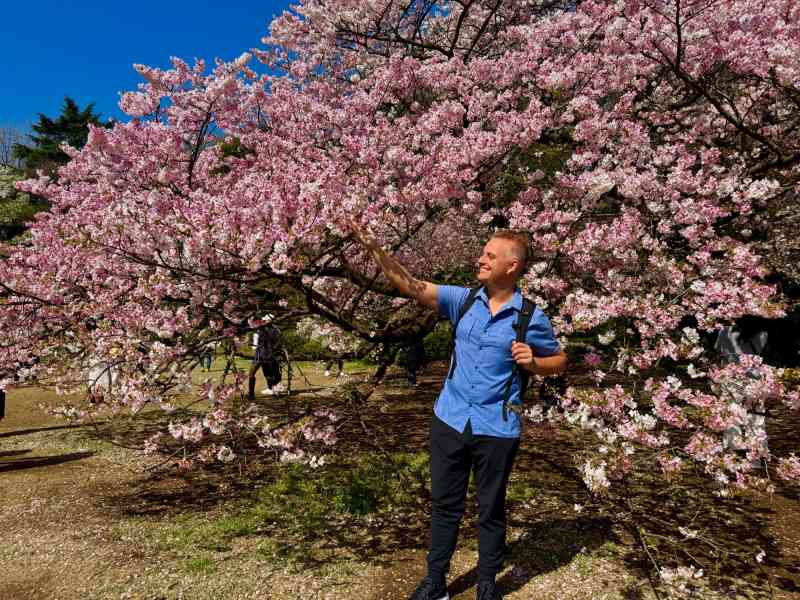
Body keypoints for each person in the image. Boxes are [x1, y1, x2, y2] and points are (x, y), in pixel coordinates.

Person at [351, 221, 567, 600]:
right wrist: (373, 247)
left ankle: (487, 583)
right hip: (450, 419)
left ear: (512, 266)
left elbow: (560, 361)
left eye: (489, 255)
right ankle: (435, 581)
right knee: (445, 504)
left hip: (496, 429)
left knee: (490, 509)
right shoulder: (463, 299)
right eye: (483, 253)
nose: (480, 259)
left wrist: (534, 363)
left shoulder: (530, 317)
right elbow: (410, 284)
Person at [248, 315, 284, 400]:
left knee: (269, 375)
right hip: (259, 354)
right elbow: (258, 342)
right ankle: (251, 394)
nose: (263, 322)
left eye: (265, 320)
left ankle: (275, 392)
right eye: (263, 320)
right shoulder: (261, 329)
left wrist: (273, 351)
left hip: (268, 355)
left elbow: (277, 343)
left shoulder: (274, 331)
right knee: (251, 373)